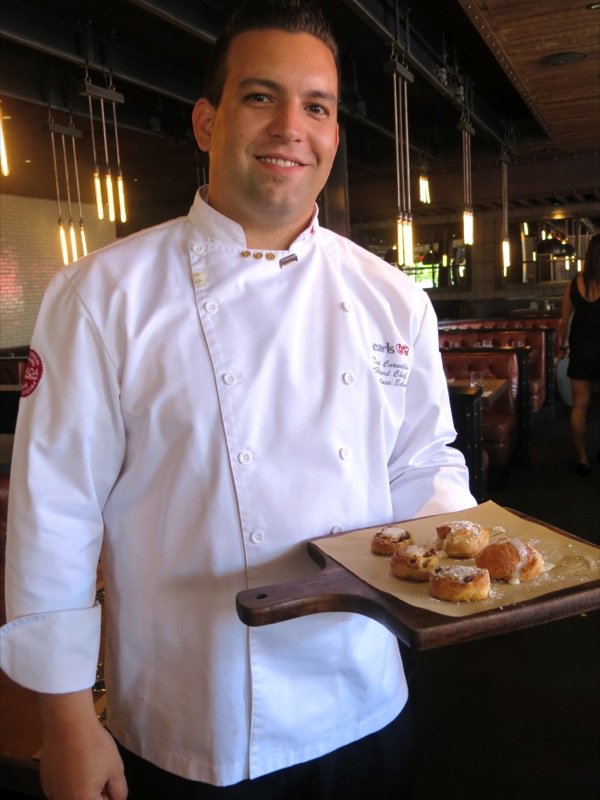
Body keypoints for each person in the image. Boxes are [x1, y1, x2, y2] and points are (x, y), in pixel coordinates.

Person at [0, 2, 475, 798]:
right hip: (197, 715)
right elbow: (55, 512)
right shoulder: (103, 294)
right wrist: (67, 720)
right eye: (261, 96)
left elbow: (421, 459)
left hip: (366, 691)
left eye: (317, 107)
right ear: (206, 121)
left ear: (333, 134)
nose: (292, 127)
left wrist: (461, 557)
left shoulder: (393, 297)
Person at [559, 233, 600, 475]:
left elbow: (564, 322)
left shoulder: (575, 284)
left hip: (582, 350)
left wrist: (561, 345)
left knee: (579, 407)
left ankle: (583, 459)